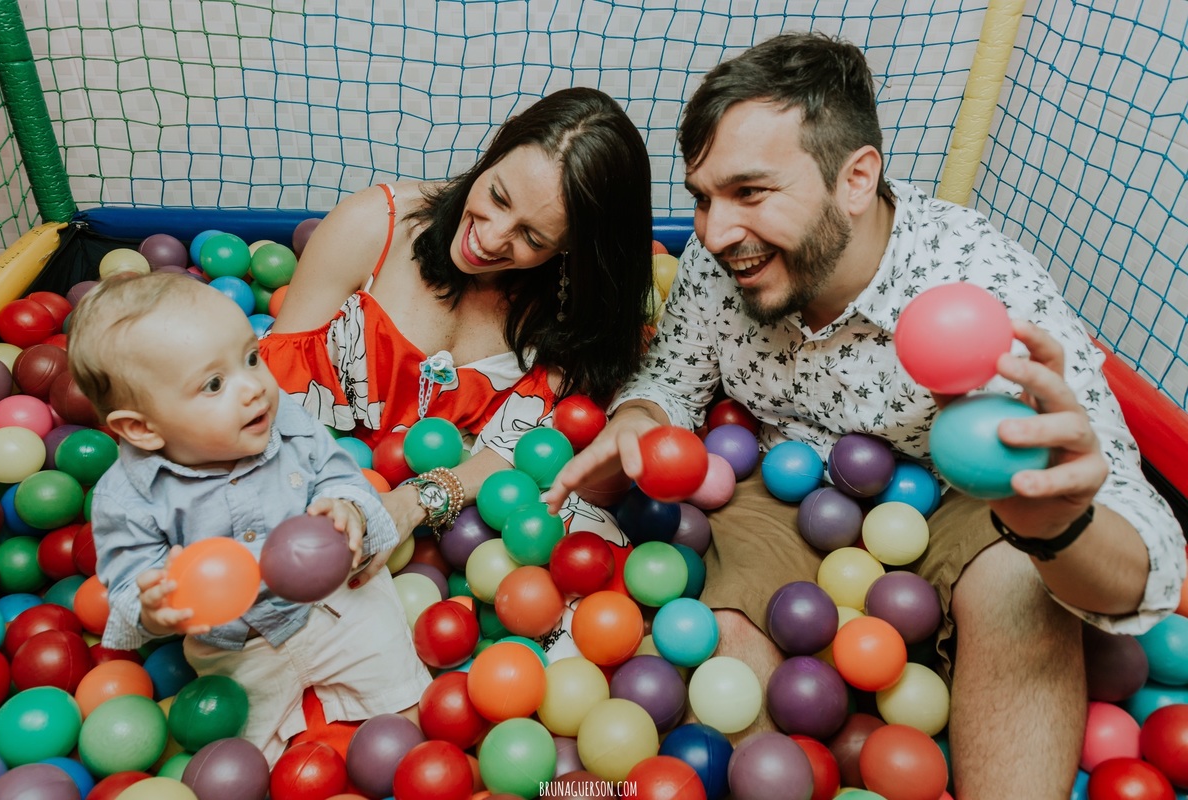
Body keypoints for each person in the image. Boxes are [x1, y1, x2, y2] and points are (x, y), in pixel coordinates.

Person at [546, 32, 1186, 798]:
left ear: (856, 178)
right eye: (703, 198)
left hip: (959, 498)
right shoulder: (719, 271)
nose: (714, 234)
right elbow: (671, 382)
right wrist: (639, 420)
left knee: (1022, 574)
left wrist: (1060, 523)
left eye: (750, 193)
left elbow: (1145, 562)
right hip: (779, 488)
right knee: (724, 633)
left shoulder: (980, 285)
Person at [260, 86, 653, 574]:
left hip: (477, 540)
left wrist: (412, 502)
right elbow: (270, 397)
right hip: (317, 499)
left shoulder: (570, 309)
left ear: (571, 249)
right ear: (495, 154)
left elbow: (521, 454)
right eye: (497, 195)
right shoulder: (373, 227)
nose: (489, 239)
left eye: (532, 237)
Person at [67, 271, 432, 765]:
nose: (253, 388)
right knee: (243, 762)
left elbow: (339, 473)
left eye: (251, 358)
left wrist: (348, 508)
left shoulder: (288, 420)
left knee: (410, 712)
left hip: (336, 606)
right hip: (237, 647)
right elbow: (129, 578)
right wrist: (154, 607)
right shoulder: (128, 496)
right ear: (142, 428)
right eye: (214, 383)